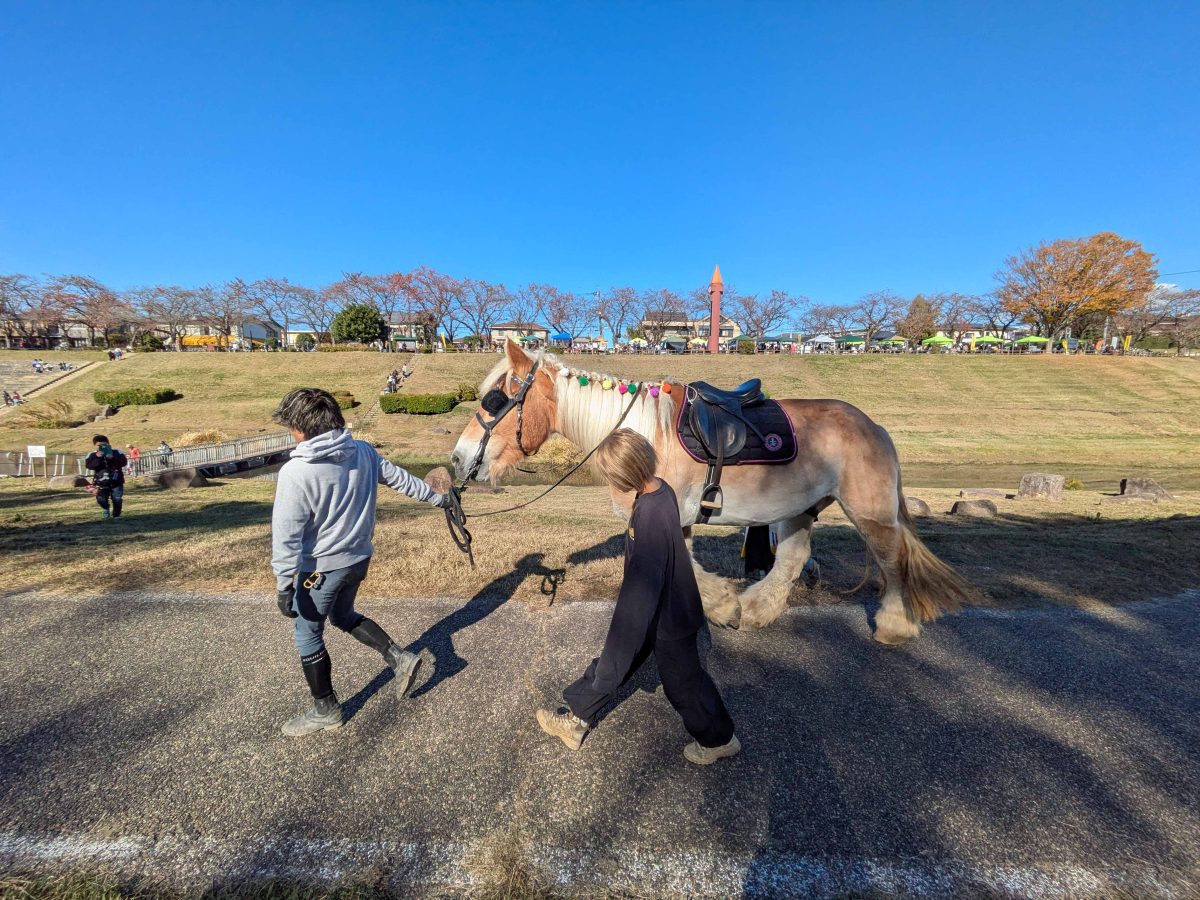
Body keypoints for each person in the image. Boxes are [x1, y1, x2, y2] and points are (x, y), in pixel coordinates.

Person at [536, 429, 740, 765]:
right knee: (615, 666)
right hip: (671, 606)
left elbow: (643, 586)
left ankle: (718, 740)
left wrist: (624, 635)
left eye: (611, 478)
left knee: (680, 683)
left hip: (665, 616)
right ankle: (576, 721)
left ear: (623, 477)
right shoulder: (660, 490)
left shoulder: (648, 514)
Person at [270, 387, 453, 737]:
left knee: (307, 633)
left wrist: (283, 582)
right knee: (342, 615)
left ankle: (325, 710)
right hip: (358, 559)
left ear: (301, 427)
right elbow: (402, 480)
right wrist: (438, 499)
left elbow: (287, 534)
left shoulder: (296, 472)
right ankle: (399, 658)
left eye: (290, 425)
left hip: (320, 569)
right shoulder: (364, 453)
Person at [84, 434, 127, 520]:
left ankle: (116, 515)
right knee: (101, 499)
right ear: (95, 446)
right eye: (99, 445)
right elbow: (90, 466)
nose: (102, 447)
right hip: (100, 482)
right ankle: (105, 508)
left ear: (108, 444)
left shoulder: (117, 452)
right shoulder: (92, 455)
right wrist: (97, 457)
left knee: (117, 498)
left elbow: (124, 463)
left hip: (116, 480)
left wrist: (112, 457)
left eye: (104, 444)